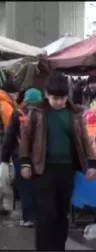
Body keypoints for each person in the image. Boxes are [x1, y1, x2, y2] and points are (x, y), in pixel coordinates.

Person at [19, 73, 96, 250]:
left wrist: (91, 163)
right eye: (55, 98)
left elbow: (84, 139)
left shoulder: (75, 113)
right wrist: (25, 162)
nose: (59, 102)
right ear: (46, 94)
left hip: (66, 169)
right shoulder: (37, 111)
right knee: (46, 214)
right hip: (43, 169)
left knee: (62, 214)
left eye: (62, 98)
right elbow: (26, 137)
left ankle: (58, 247)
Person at [1, 88, 42, 227]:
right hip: (40, 156)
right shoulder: (44, 113)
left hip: (21, 156)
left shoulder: (17, 113)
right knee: (39, 186)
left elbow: (10, 136)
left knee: (25, 187)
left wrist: (4, 158)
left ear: (25, 99)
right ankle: (40, 217)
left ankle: (28, 218)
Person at [0, 80, 20, 215]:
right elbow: (10, 127)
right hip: (1, 140)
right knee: (3, 175)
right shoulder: (5, 105)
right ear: (12, 93)